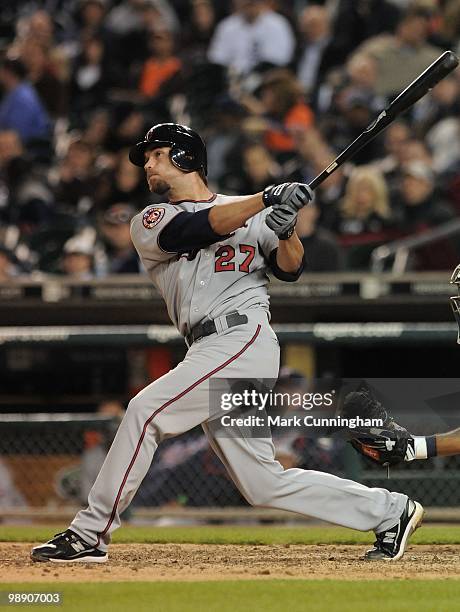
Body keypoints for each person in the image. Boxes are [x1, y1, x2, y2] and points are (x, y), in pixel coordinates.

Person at [31, 122, 423, 564]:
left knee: (145, 412)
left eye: (156, 154)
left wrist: (287, 228)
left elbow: (291, 269)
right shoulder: (151, 220)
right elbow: (197, 229)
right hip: (206, 347)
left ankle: (89, 534)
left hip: (243, 338)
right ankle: (390, 511)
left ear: (185, 157)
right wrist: (267, 199)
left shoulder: (251, 210)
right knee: (262, 482)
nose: (147, 164)